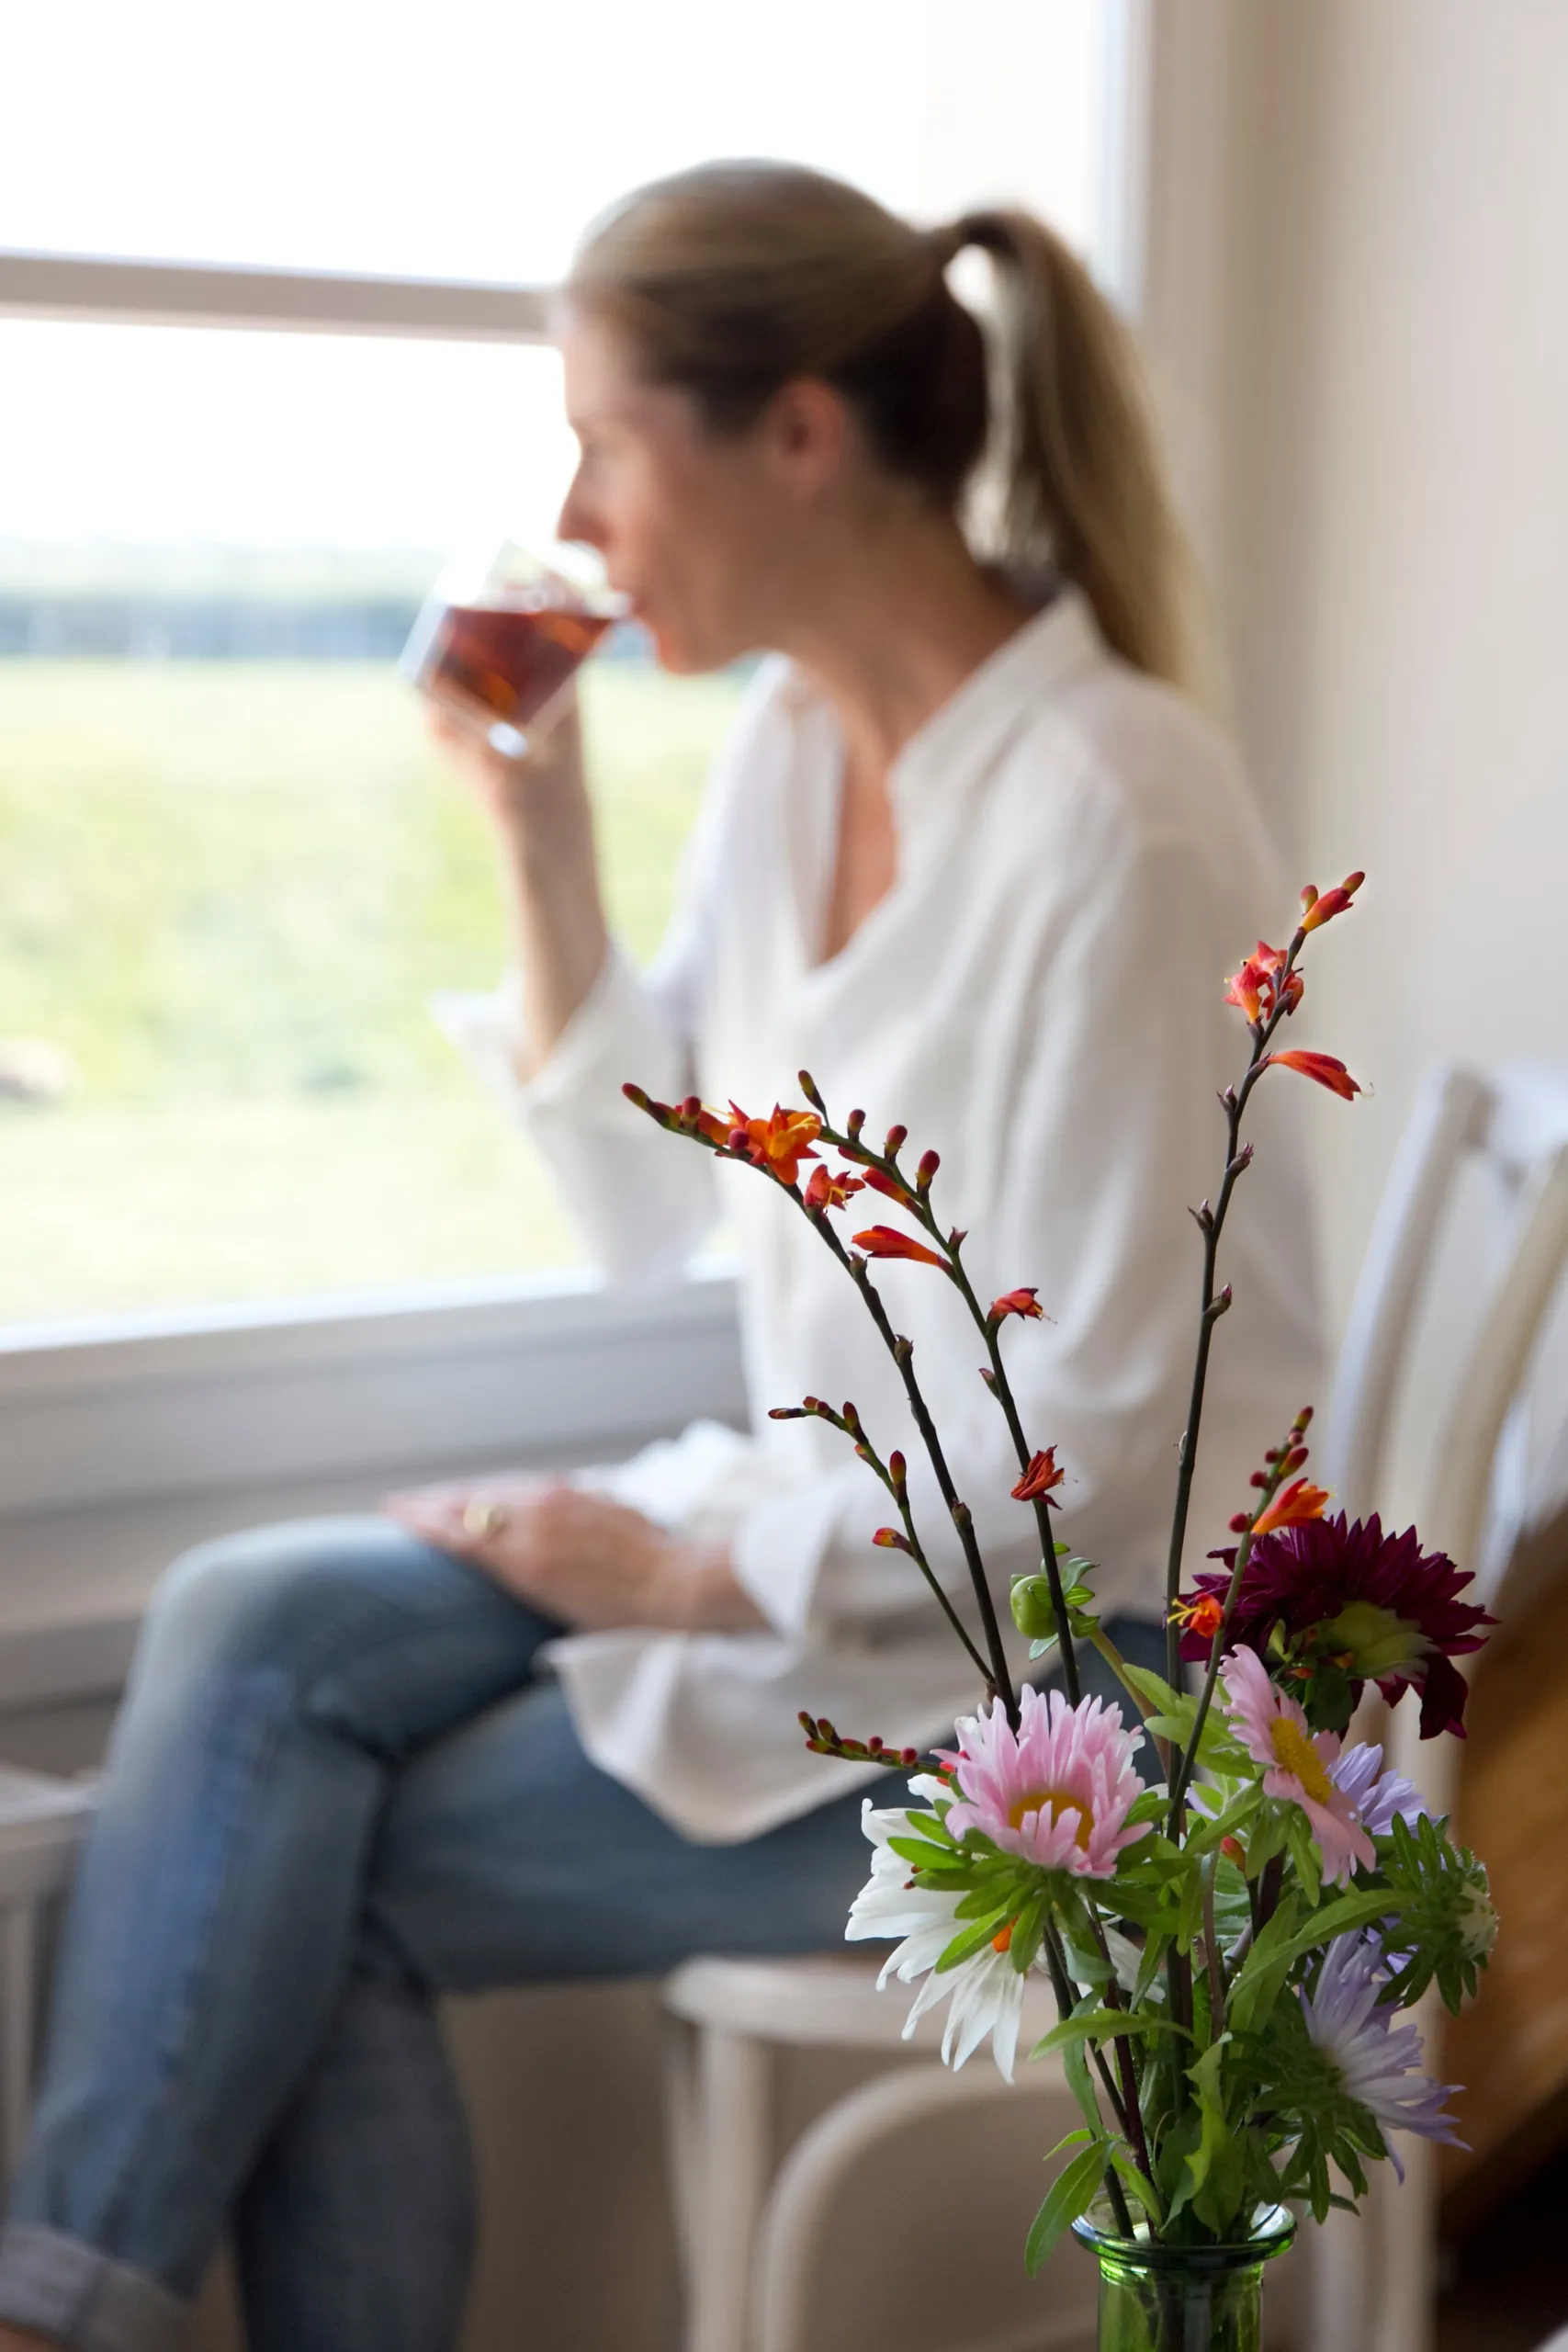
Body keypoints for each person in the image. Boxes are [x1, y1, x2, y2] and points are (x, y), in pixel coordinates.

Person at [0, 162, 1320, 2352]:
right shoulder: (797, 752)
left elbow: (1109, 1445)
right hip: (833, 1563)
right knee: (251, 1612)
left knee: (313, 1891)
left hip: (1068, 1690)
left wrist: (692, 1574)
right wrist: (540, 841)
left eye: (608, 438)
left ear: (796, 433)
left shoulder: (1122, 808)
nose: (578, 515)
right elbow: (646, 1204)